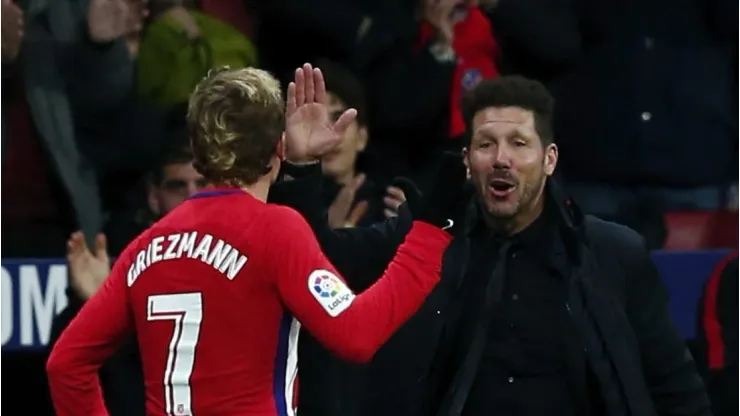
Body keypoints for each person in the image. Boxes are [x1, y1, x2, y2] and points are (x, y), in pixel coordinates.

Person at [273, 76, 712, 416]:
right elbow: (320, 269)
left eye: (519, 144)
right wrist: (302, 167)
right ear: (467, 162)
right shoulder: (422, 242)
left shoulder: (612, 253)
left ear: (549, 159)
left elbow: (675, 388)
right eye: (485, 144)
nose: (501, 157)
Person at [46, 64, 454, 416]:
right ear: (278, 147)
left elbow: (66, 363)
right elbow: (358, 334)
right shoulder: (274, 230)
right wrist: (427, 238)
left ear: (198, 151)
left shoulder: (146, 246)